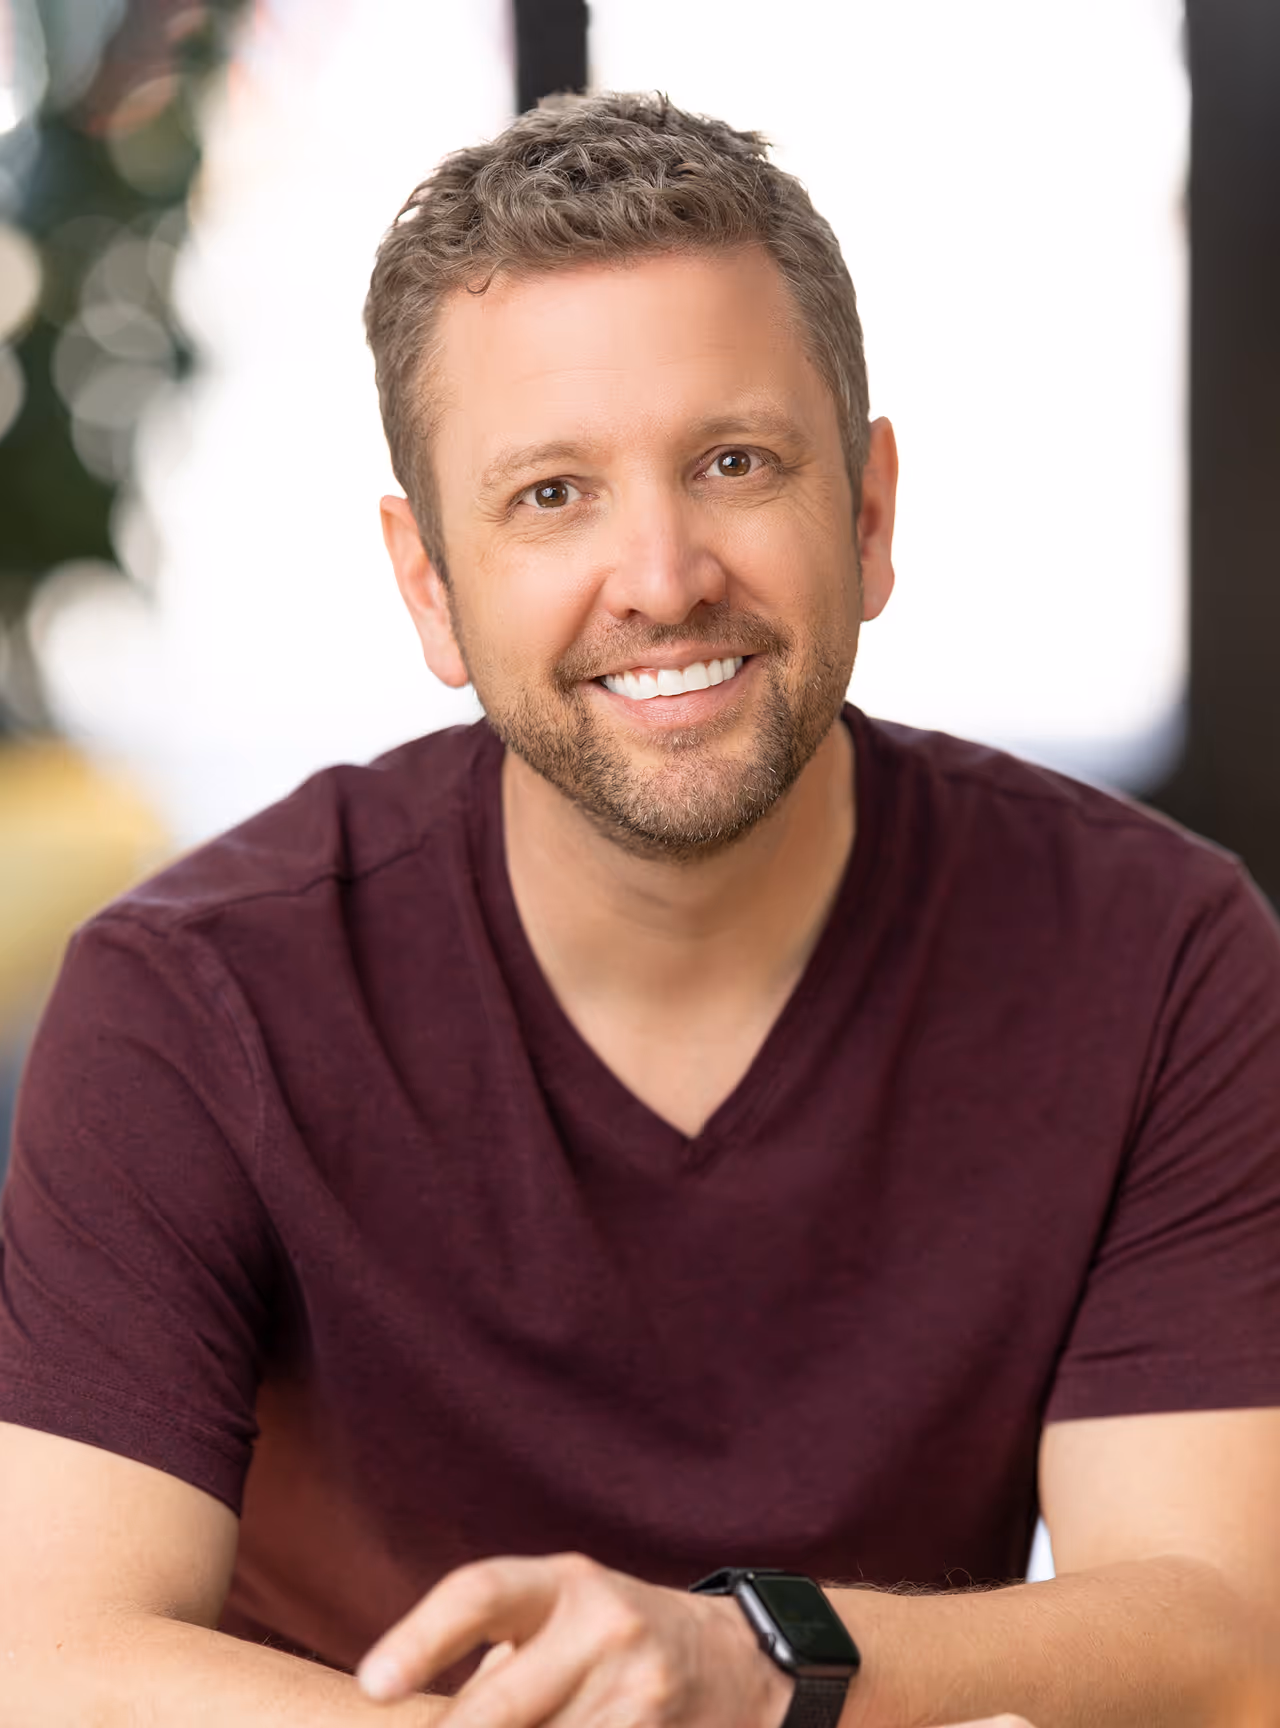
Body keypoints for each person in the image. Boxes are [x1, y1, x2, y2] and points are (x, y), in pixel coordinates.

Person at [1, 91, 1277, 1728]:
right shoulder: (191, 1003)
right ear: (429, 587)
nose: (663, 574)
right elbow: (50, 1658)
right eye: (551, 495)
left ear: (870, 514)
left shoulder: (1158, 958)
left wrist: (751, 1666)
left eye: (734, 462)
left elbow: (1225, 1642)